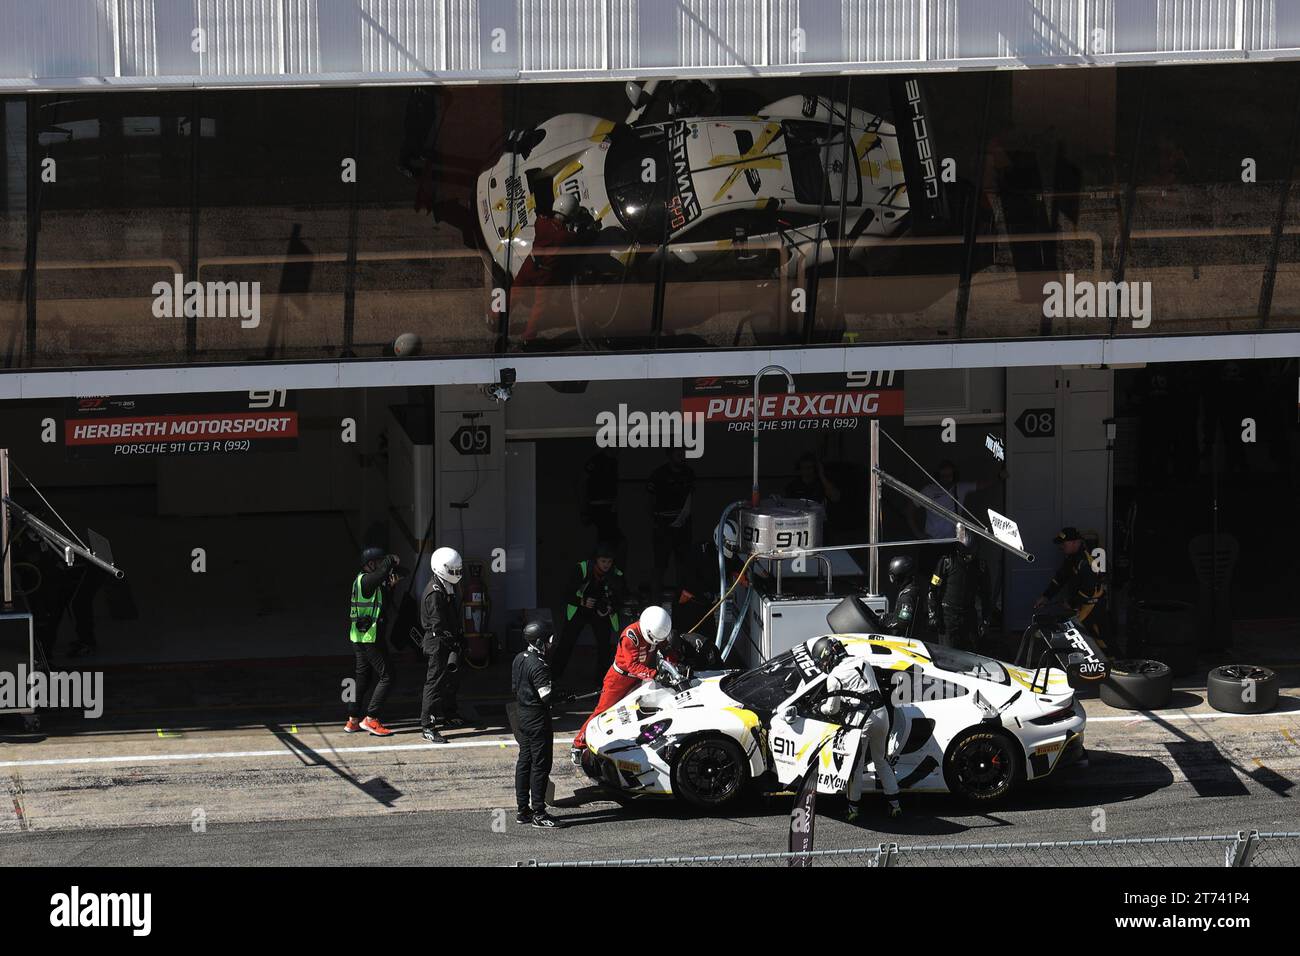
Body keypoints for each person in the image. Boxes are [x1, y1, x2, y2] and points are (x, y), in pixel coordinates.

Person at [810, 636, 901, 821]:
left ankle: (853, 810)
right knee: (881, 761)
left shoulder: (834, 676)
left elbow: (832, 708)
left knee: (856, 767)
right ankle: (895, 806)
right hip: (882, 714)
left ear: (828, 656)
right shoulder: (864, 661)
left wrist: (819, 708)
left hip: (861, 719)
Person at [571, 606, 679, 756]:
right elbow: (632, 665)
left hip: (641, 678)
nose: (656, 641)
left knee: (641, 712)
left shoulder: (656, 630)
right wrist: (654, 674)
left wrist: (674, 665)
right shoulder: (631, 635)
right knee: (602, 712)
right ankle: (578, 744)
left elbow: (667, 649)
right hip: (619, 679)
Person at [344, 546, 403, 737]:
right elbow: (384, 570)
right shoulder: (367, 580)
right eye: (377, 562)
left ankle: (353, 719)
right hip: (370, 638)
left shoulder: (368, 583)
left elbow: (381, 607)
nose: (380, 566)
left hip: (359, 637)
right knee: (388, 676)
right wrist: (391, 558)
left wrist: (391, 588)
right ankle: (371, 718)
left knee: (363, 677)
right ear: (370, 564)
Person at [552, 541, 627, 686]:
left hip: (601, 614)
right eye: (603, 561)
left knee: (604, 646)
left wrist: (610, 607)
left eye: (609, 561)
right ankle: (553, 676)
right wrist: (582, 601)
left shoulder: (616, 574)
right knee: (566, 642)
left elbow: (622, 597)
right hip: (579, 610)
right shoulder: (581, 569)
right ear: (595, 560)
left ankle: (602, 681)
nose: (606, 565)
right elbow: (566, 593)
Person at [512, 620, 563, 829]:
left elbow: (516, 687)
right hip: (537, 720)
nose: (551, 644)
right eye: (549, 640)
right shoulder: (539, 665)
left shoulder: (518, 658)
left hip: (520, 716)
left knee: (524, 761)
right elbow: (546, 696)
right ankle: (539, 812)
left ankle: (523, 810)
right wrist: (562, 696)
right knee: (540, 765)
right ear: (540, 641)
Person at [515, 193, 585, 344]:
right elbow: (577, 238)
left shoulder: (541, 224)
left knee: (514, 293)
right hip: (545, 274)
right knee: (539, 306)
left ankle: (495, 317)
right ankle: (528, 337)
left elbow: (542, 218)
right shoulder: (566, 237)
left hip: (530, 264)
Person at [419, 546, 466, 743]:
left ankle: (449, 713)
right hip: (438, 642)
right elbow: (438, 624)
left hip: (448, 640)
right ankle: (427, 726)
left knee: (451, 681)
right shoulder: (434, 593)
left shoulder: (448, 585)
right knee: (434, 683)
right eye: (453, 571)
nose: (457, 575)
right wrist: (453, 642)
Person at [1035, 527, 1108, 651]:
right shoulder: (1072, 557)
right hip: (1081, 605)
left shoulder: (1086, 561)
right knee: (1082, 641)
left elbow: (1089, 590)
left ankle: (1115, 665)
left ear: (1075, 542)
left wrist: (1071, 603)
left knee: (1101, 641)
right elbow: (1060, 578)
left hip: (1094, 606)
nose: (1061, 547)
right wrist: (1046, 596)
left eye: (1064, 543)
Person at [927, 530, 991, 651]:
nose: (969, 558)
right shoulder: (946, 562)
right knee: (948, 652)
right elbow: (932, 590)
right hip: (948, 615)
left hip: (969, 614)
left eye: (971, 555)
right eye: (966, 556)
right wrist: (933, 614)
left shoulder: (980, 566)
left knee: (971, 652)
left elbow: (986, 595)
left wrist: (985, 620)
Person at [648, 448, 695, 599]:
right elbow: (649, 501)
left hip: (683, 526)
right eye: (678, 454)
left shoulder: (689, 473)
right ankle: (655, 603)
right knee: (660, 566)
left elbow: (692, 497)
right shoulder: (658, 474)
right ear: (669, 455)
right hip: (663, 526)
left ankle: (681, 604)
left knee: (683, 566)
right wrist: (655, 521)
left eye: (683, 453)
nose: (682, 457)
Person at [880, 555, 920, 639]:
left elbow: (903, 621)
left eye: (893, 576)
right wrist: (886, 617)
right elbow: (899, 614)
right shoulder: (911, 588)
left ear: (899, 576)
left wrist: (886, 623)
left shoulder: (907, 595)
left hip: (906, 640)